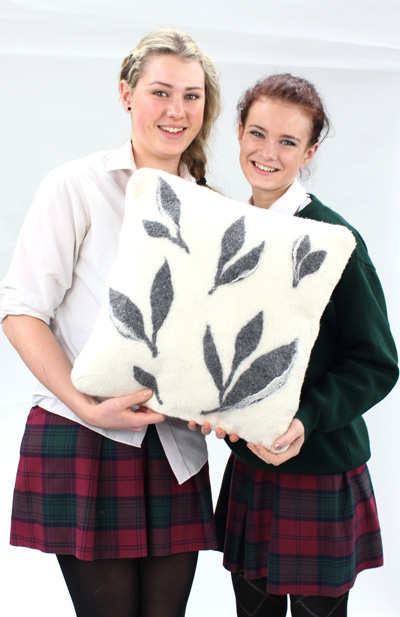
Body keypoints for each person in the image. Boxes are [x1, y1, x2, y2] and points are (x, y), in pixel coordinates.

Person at [0, 27, 221, 617]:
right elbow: (21, 310)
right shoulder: (77, 185)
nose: (177, 111)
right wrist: (85, 403)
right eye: (161, 92)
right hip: (85, 435)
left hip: (174, 446)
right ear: (126, 95)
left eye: (192, 96)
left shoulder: (212, 205)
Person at [201, 74, 398, 617]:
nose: (268, 153)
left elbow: (376, 362)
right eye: (258, 133)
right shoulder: (225, 230)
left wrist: (305, 418)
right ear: (238, 132)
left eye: (288, 142)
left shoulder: (335, 241)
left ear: (310, 152)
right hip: (251, 466)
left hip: (319, 465)